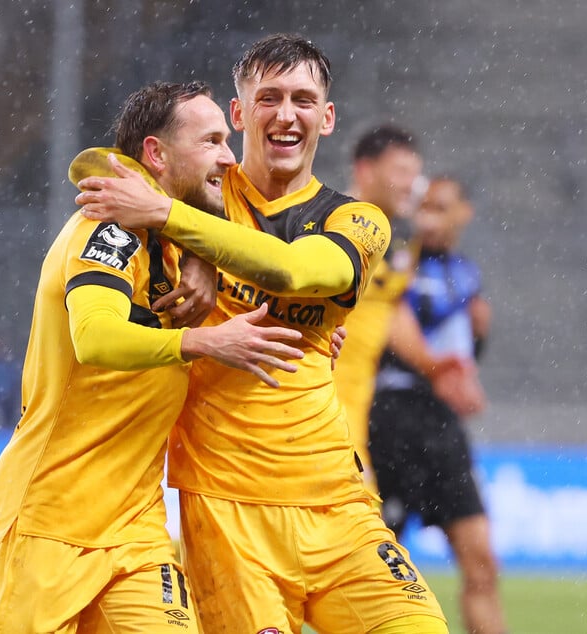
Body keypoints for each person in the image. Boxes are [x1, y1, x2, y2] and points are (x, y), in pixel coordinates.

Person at [76, 34, 448, 634]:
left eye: (303, 100)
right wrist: (190, 228)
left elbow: (296, 271)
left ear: (326, 119)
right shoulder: (194, 191)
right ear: (239, 113)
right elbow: (102, 167)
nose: (285, 114)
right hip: (227, 512)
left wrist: (182, 228)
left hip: (338, 502)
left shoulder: (357, 220)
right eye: (268, 97)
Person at [0, 80, 308, 634]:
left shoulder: (175, 242)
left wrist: (306, 325)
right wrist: (201, 341)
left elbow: (247, 229)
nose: (228, 156)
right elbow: (96, 338)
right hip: (49, 521)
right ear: (155, 153)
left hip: (136, 527)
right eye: (210, 142)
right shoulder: (108, 230)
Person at [369, 177, 507, 634]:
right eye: (422, 207)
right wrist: (442, 371)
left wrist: (477, 344)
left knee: (482, 562)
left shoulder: (467, 273)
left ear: (463, 213)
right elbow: (390, 325)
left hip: (441, 427)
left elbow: (462, 346)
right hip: (389, 419)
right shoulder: (396, 259)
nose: (427, 217)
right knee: (371, 570)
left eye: (440, 207)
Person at [334, 124, 485, 494]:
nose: (412, 184)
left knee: (358, 523)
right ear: (365, 171)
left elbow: (389, 313)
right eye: (401, 172)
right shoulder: (329, 225)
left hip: (354, 413)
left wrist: (435, 366)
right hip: (312, 405)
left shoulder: (399, 240)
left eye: (415, 173)